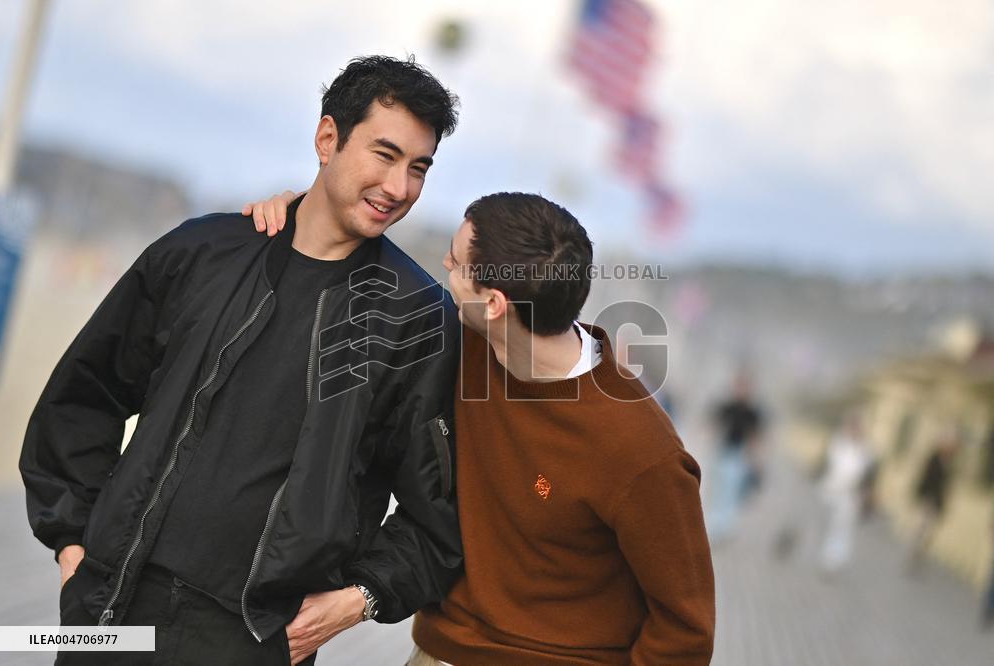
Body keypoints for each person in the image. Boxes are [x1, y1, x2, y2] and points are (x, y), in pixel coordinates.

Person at [20, 56, 464, 666]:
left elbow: (438, 510)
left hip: (254, 639)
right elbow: (86, 392)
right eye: (384, 155)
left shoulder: (417, 319)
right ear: (327, 138)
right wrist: (73, 543)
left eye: (418, 168)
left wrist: (360, 598)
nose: (399, 187)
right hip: (113, 608)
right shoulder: (203, 252)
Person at [249, 191, 716, 665]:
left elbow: (685, 630)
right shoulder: (462, 344)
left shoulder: (641, 450)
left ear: (493, 303)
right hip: (438, 652)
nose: (444, 270)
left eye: (454, 263)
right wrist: (300, 213)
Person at [706, 371, 764, 543]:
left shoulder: (752, 412)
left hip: (739, 454)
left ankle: (725, 526)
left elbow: (756, 436)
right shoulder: (728, 406)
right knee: (718, 488)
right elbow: (713, 422)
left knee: (731, 491)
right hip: (723, 450)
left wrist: (755, 459)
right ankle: (714, 524)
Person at [817, 413, 874, 574]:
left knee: (841, 529)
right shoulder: (837, 444)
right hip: (831, 490)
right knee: (828, 526)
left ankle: (832, 561)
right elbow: (825, 465)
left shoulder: (866, 451)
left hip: (850, 495)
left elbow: (868, 477)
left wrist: (865, 494)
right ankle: (827, 557)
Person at [906, 432, 959, 575]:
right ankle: (913, 557)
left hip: (937, 503)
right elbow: (925, 479)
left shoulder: (950, 463)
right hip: (928, 500)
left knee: (929, 534)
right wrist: (923, 497)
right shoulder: (934, 459)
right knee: (921, 529)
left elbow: (947, 486)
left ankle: (919, 557)